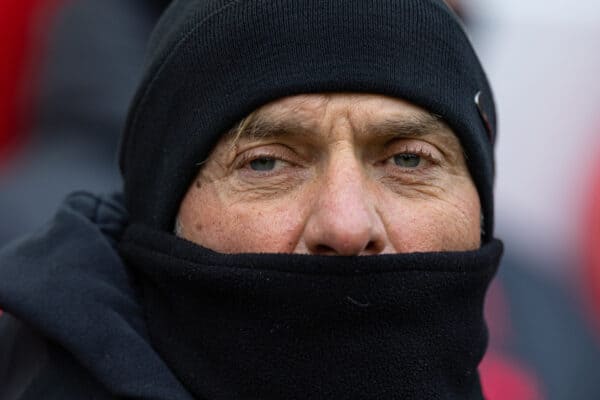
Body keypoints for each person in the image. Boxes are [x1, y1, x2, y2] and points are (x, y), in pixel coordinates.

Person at [0, 1, 501, 399]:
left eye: (410, 160)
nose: (347, 224)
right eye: (265, 162)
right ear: (159, 211)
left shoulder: (547, 306)